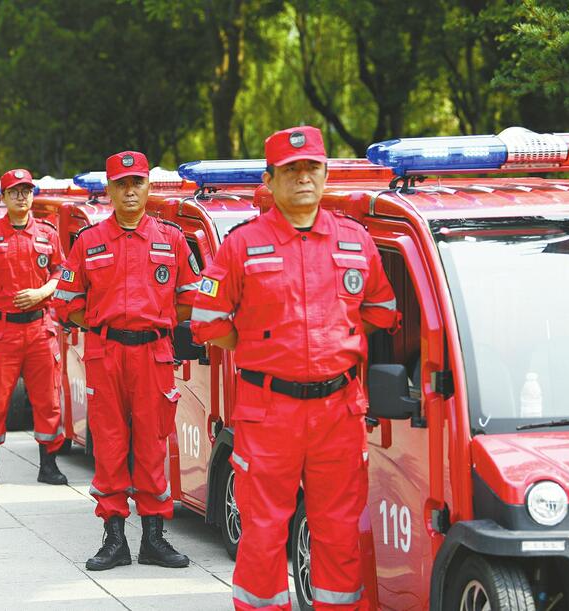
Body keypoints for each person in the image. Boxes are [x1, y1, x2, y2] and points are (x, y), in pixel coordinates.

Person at [190, 126, 401, 611]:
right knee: (262, 534)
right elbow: (207, 321)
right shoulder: (242, 245)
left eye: (312, 169)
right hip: (269, 412)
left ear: (326, 175)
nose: (303, 178)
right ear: (270, 180)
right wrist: (255, 349)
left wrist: (337, 348)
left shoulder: (356, 241)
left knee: (338, 532)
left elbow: (380, 311)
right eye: (291, 170)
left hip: (338, 412)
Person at [53, 151, 199, 571]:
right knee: (111, 444)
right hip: (105, 353)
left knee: (153, 443)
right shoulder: (89, 240)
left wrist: (159, 321)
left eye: (137, 182)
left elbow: (190, 298)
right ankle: (114, 538)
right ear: (110, 191)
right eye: (121, 184)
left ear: (148, 187)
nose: (130, 191)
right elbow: (68, 301)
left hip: (154, 353)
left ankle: (154, 538)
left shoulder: (171, 239)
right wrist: (102, 325)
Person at [0, 168, 67, 487]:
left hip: (39, 329)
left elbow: (61, 272)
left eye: (26, 190)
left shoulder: (48, 233)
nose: (21, 196)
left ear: (33, 194)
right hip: (2, 330)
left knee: (47, 399)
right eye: (14, 192)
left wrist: (41, 292)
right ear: (3, 198)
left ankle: (48, 464)